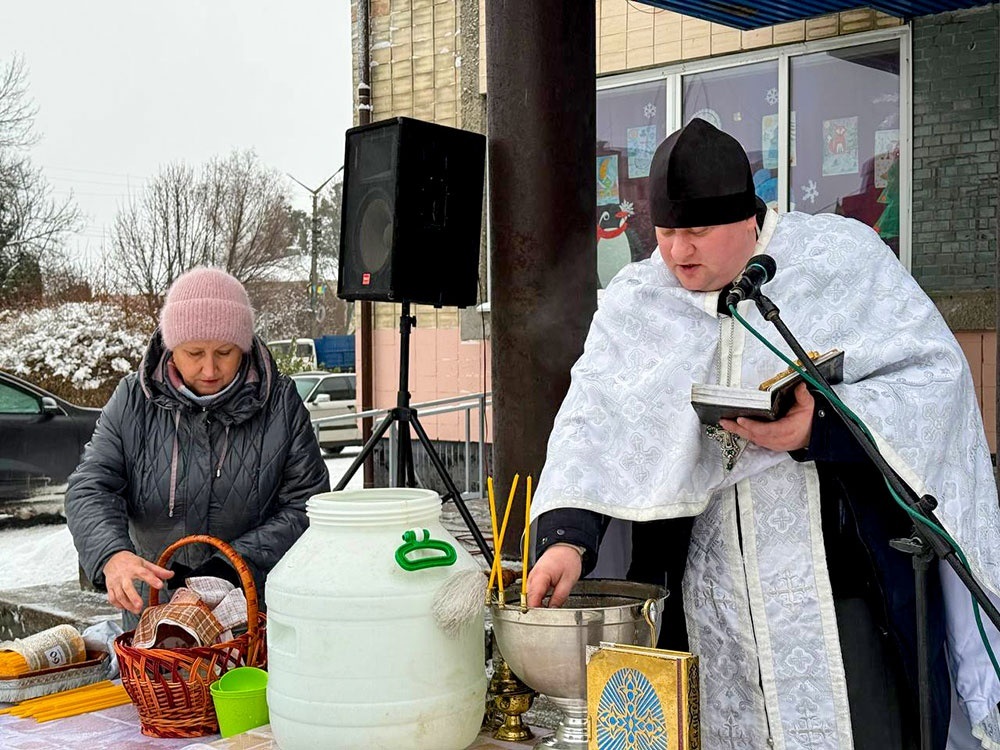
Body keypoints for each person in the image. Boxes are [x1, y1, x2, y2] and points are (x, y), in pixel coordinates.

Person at [526, 118, 1000, 749]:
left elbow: (933, 383)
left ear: (749, 219)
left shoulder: (841, 259)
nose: (676, 253)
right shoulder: (638, 299)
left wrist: (821, 427)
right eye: (664, 233)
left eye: (696, 232)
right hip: (702, 592)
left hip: (841, 588)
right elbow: (596, 422)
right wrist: (568, 540)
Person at [66, 266, 329, 629]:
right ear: (172, 349)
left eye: (225, 351)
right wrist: (112, 554)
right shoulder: (132, 400)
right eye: (194, 352)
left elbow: (307, 504)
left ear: (245, 346)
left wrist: (233, 564)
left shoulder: (279, 404)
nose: (209, 368)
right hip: (154, 616)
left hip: (252, 613)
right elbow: (91, 487)